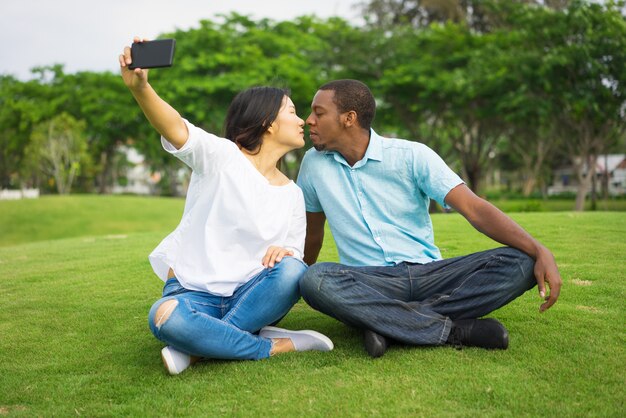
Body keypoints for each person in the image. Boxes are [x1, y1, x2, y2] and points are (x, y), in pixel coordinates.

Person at [297, 79, 562, 358]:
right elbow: (312, 235)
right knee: (315, 280)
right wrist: (289, 288)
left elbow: (474, 209)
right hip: (371, 282)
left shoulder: (412, 156)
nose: (308, 120)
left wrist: (538, 249)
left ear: (349, 118)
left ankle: (387, 323)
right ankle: (452, 330)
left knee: (522, 261)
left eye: (319, 112)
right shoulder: (313, 165)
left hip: (430, 274)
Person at [119, 38, 333, 375]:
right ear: (268, 123)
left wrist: (286, 252)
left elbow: (293, 254)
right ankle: (271, 345)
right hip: (192, 293)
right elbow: (176, 127)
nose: (302, 121)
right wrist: (141, 89)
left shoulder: (292, 193)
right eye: (292, 112)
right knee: (164, 316)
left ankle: (199, 348)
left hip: (250, 295)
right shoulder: (222, 157)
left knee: (294, 271)